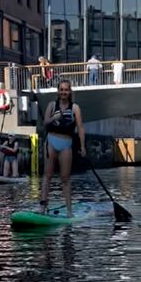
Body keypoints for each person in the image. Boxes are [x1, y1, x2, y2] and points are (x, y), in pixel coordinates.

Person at [41, 80, 86, 217]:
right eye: (61, 90)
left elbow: (80, 128)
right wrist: (54, 117)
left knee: (65, 178)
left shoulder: (75, 108)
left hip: (66, 144)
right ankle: (42, 208)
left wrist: (83, 146)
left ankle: (69, 211)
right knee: (47, 175)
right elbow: (45, 122)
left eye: (66, 90)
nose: (63, 92)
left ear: (70, 92)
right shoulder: (51, 105)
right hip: (51, 141)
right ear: (58, 91)